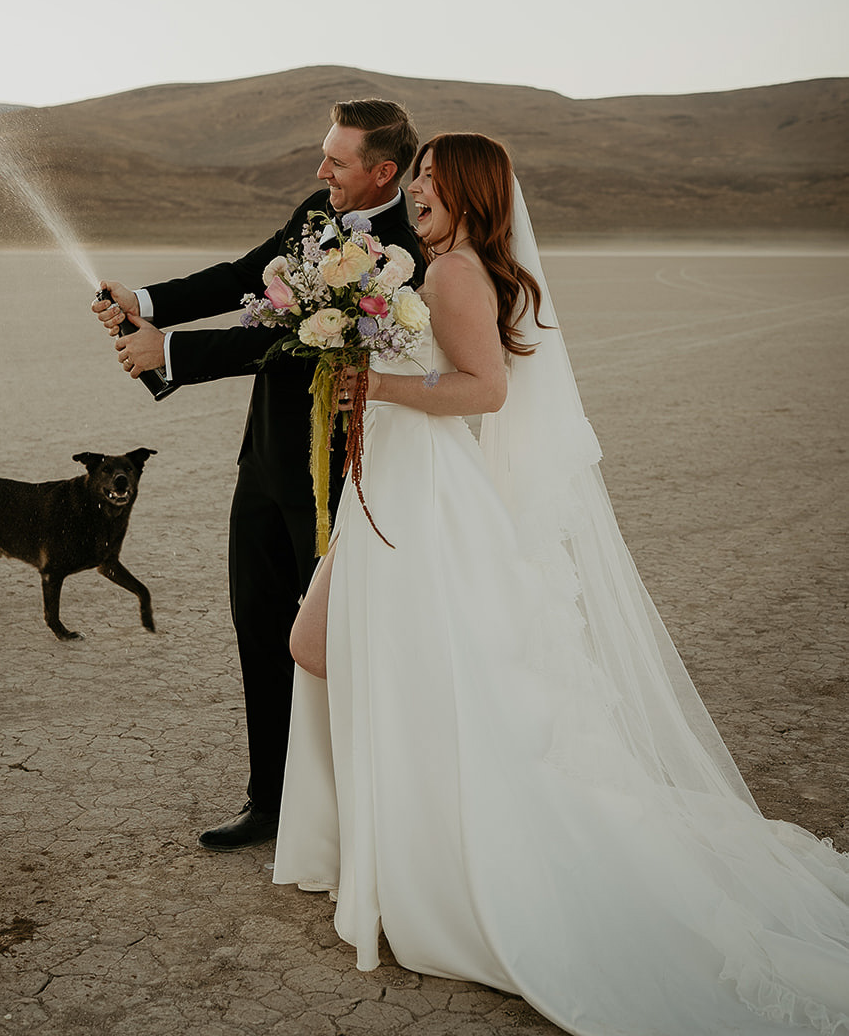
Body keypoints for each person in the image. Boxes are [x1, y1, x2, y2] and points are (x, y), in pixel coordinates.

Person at [273, 133, 849, 1036]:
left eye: (433, 179)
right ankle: (397, 840)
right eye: (415, 175)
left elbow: (484, 390)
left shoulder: (457, 273)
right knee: (325, 643)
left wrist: (380, 391)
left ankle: (433, 855)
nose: (419, 190)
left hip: (424, 487)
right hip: (395, 479)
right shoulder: (436, 266)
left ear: (469, 195)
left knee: (357, 653)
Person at [94, 98, 425, 850]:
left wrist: (169, 356)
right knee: (259, 627)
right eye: (322, 156)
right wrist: (145, 303)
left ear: (381, 172)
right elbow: (249, 279)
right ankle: (272, 802)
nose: (320, 172)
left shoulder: (413, 249)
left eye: (336, 162)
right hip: (265, 461)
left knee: (338, 642)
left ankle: (360, 809)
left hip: (342, 475)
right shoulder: (316, 211)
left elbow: (287, 341)